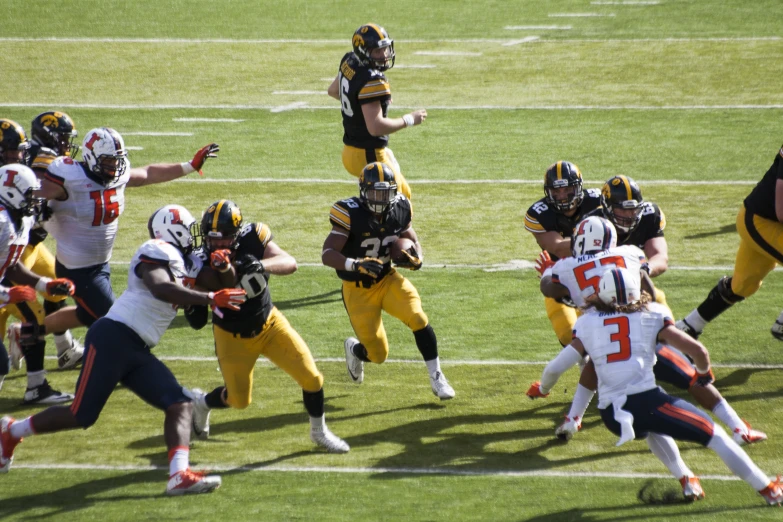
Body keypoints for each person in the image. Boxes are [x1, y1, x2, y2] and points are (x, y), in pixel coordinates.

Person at [0, 204, 247, 495]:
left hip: (137, 347)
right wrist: (210, 298)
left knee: (180, 403)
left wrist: (224, 267)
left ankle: (178, 475)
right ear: (171, 229)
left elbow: (222, 283)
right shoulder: (155, 250)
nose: (193, 236)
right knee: (82, 415)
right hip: (113, 338)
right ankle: (10, 431)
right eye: (188, 228)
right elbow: (161, 288)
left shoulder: (185, 260)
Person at [545, 267, 781, 504]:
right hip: (644, 401)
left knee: (653, 427)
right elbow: (698, 350)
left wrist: (543, 388)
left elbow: (557, 367)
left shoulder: (587, 323)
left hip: (611, 415)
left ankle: (687, 479)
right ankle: (768, 489)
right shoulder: (651, 314)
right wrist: (703, 372)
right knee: (716, 435)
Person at [527, 216, 766, 446]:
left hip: (602, 338)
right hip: (642, 333)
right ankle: (738, 428)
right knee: (692, 378)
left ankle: (573, 418)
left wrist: (550, 272)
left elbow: (549, 289)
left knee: (594, 363)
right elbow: (649, 292)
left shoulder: (567, 266)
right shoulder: (629, 253)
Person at [183, 200, 349, 453]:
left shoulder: (254, 236)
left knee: (312, 378)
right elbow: (196, 317)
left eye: (224, 239)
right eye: (212, 239)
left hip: (269, 323)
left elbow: (290, 262)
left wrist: (262, 265)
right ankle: (202, 403)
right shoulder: (199, 261)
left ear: (237, 236)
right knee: (238, 400)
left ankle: (319, 432)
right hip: (231, 335)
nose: (217, 245)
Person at [28, 128, 219, 342]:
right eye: (108, 161)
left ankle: (23, 331)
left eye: (117, 160)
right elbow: (34, 194)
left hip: (100, 263)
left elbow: (147, 173)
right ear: (91, 156)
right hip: (77, 268)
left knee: (86, 313)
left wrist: (189, 166)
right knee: (115, 325)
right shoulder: (69, 176)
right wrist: (36, 208)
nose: (114, 166)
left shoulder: (117, 175)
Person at [321, 162, 455, 399]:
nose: (381, 198)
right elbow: (328, 254)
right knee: (378, 355)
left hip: (386, 279)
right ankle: (354, 349)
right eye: (375, 192)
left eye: (386, 192)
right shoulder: (348, 212)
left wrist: (417, 257)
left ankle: (437, 376)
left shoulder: (401, 207)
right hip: (357, 287)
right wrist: (356, 264)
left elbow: (410, 237)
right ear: (363, 191)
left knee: (418, 317)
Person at [1, 112, 84, 373]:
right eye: (14, 151)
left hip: (26, 246)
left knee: (56, 287)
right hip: (13, 249)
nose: (19, 156)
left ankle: (65, 348)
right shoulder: (44, 157)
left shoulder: (29, 160)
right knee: (22, 313)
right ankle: (31, 381)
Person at [678, 144, 783, 341]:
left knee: (742, 285)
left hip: (766, 220)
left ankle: (689, 326)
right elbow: (781, 209)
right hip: (760, 221)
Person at [0, 161, 75, 404]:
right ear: (11, 193)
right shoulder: (1, 223)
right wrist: (7, 296)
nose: (35, 201)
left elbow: (11, 264)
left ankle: (36, 387)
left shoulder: (18, 219)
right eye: (29, 195)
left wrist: (43, 285)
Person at [327, 23, 426, 201]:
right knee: (401, 198)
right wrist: (409, 119)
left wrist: (366, 103)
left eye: (385, 49)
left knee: (379, 199)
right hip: (367, 154)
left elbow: (334, 91)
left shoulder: (349, 60)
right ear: (364, 52)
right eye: (377, 51)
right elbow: (375, 127)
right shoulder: (373, 79)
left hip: (350, 151)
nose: (384, 55)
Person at [524, 160, 602, 347]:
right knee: (569, 334)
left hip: (596, 274)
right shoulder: (539, 213)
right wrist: (597, 236)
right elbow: (557, 247)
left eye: (567, 189)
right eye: (556, 191)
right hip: (560, 278)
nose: (562, 196)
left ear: (579, 187)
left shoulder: (598, 201)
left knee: (604, 330)